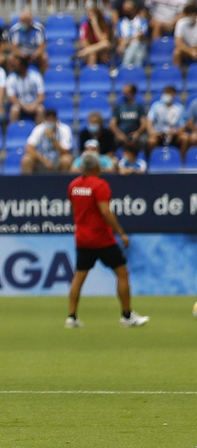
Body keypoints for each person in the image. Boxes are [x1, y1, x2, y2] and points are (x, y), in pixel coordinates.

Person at [65, 151, 149, 328]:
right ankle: (126, 316)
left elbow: (74, 209)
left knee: (78, 277)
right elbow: (105, 211)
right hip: (102, 238)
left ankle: (71, 317)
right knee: (122, 273)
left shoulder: (73, 185)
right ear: (97, 166)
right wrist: (121, 233)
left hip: (82, 238)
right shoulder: (100, 185)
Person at [21, 108, 74, 173]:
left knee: (66, 160)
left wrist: (53, 139)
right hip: (41, 160)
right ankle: (27, 180)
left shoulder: (64, 129)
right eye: (48, 120)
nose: (50, 123)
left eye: (52, 120)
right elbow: (29, 148)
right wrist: (44, 161)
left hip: (58, 160)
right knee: (27, 159)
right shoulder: (39, 129)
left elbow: (65, 152)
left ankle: (65, 179)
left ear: (56, 120)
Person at [111, 83, 150, 160]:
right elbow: (112, 123)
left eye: (126, 92)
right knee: (113, 140)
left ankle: (144, 160)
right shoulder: (119, 107)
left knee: (144, 140)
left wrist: (137, 133)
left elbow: (143, 123)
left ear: (132, 94)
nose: (124, 94)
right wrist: (119, 134)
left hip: (136, 134)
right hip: (121, 134)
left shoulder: (138, 107)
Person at [5, 55, 46, 124]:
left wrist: (34, 105)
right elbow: (11, 97)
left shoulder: (36, 76)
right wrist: (24, 106)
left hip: (34, 104)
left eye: (16, 64)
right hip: (19, 104)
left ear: (23, 66)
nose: (13, 66)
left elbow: (41, 96)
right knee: (14, 110)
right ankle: (13, 130)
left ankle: (39, 130)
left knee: (40, 110)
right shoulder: (11, 78)